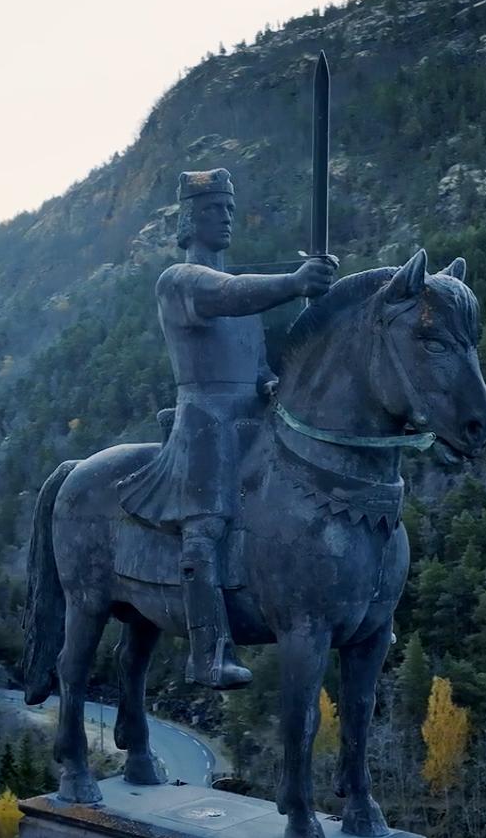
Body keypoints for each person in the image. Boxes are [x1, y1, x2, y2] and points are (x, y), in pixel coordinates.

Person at [118, 168, 336, 687]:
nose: (227, 220)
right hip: (205, 422)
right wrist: (294, 282)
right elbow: (228, 293)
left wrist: (273, 386)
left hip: (251, 419)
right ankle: (207, 650)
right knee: (206, 528)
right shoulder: (180, 282)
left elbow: (257, 367)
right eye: (216, 211)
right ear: (190, 221)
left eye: (231, 211)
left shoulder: (242, 300)